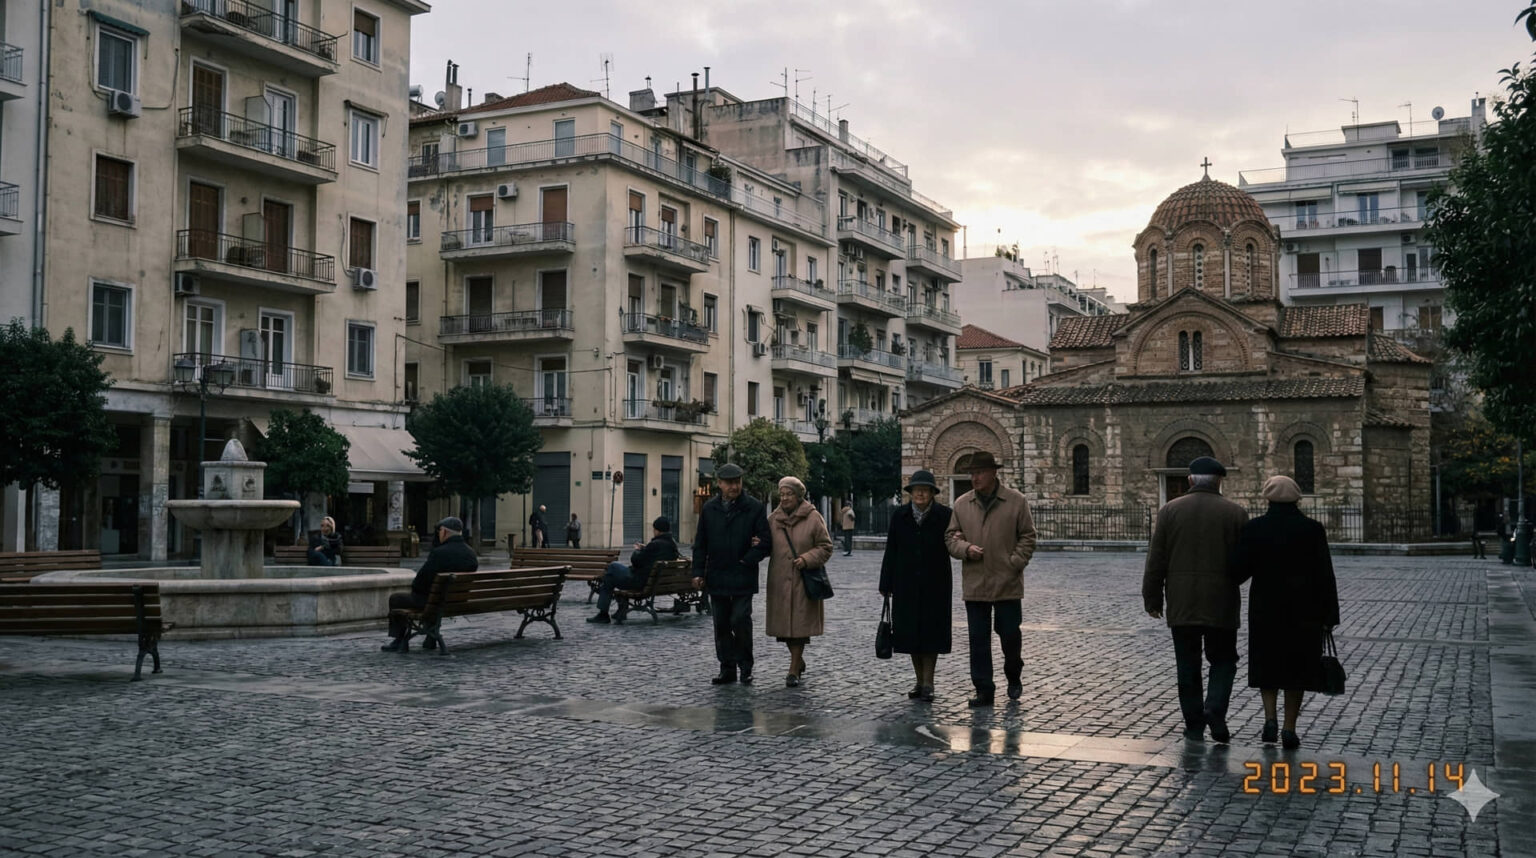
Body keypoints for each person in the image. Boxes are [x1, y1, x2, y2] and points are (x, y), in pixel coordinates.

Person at [1142, 456, 1249, 742]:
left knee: (1187, 663)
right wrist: (1230, 581)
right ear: (1219, 481)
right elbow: (1245, 560)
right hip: (1221, 602)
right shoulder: (1236, 513)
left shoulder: (1169, 511)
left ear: (1190, 479)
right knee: (1223, 659)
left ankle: (1193, 723)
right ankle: (1215, 708)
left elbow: (1156, 559)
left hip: (1182, 601)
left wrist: (1152, 598)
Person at [1231, 475, 1340, 750]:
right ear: (1297, 499)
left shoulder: (1256, 528)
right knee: (1297, 668)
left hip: (1265, 608)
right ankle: (1289, 727)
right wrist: (1329, 615)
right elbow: (1325, 574)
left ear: (1267, 498)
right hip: (1305, 610)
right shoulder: (1312, 529)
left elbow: (1239, 571)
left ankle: (1270, 718)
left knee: (1267, 663)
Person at [944, 451, 1037, 708]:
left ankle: (1013, 673)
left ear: (994, 473)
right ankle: (984, 690)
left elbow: (1028, 536)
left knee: (1009, 635)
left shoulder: (1016, 501)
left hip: (1007, 582)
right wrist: (965, 549)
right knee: (978, 640)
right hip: (976, 583)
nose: (975, 478)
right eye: (972, 473)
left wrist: (1014, 562)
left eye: (980, 473)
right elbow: (950, 537)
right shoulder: (962, 504)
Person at [692, 463, 772, 685]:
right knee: (721, 624)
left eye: (737, 482)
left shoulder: (754, 507)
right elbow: (700, 544)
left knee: (740, 619)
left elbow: (765, 542)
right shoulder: (709, 508)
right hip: (717, 575)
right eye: (729, 483)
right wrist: (697, 572)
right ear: (719, 483)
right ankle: (727, 668)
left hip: (742, 575)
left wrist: (748, 559)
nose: (734, 486)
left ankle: (745, 667)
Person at [879, 470, 953, 703]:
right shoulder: (899, 516)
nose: (920, 494)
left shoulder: (945, 516)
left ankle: (929, 682)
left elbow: (954, 543)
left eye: (925, 490)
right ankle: (919, 680)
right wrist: (886, 582)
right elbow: (891, 550)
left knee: (931, 633)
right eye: (916, 490)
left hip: (935, 583)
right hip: (906, 583)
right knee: (910, 633)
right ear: (911, 493)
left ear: (932, 493)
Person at [766, 476, 835, 688]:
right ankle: (798, 660)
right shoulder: (773, 519)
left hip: (803, 582)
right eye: (782, 494)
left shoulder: (813, 518)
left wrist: (806, 559)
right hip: (779, 581)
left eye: (789, 494)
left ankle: (793, 668)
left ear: (798, 496)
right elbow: (766, 544)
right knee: (785, 629)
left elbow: (826, 547)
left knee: (799, 628)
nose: (785, 498)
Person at [382, 516, 478, 653]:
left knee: (396, 599)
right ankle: (430, 637)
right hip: (456, 601)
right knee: (435, 598)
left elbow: (420, 582)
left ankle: (399, 640)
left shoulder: (439, 553)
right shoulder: (470, 553)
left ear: (444, 531)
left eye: (439, 531)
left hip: (434, 602)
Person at [588, 517, 679, 624]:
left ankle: (604, 614)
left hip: (639, 581)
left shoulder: (655, 544)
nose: (653, 532)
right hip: (656, 583)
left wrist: (638, 551)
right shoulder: (672, 545)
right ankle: (619, 611)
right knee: (610, 577)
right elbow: (653, 556)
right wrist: (646, 549)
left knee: (612, 567)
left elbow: (636, 561)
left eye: (654, 529)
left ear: (658, 530)